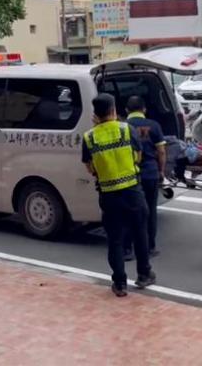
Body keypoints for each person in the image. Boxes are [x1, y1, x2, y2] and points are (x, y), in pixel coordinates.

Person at [82, 93, 155, 297]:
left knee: (115, 240)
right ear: (114, 110)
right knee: (140, 233)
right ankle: (144, 275)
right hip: (133, 191)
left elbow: (90, 168)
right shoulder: (127, 129)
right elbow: (138, 157)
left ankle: (120, 283)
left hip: (108, 195)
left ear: (95, 114)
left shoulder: (89, 137)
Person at [123, 95, 166, 259]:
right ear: (144, 110)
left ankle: (127, 248)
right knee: (150, 210)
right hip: (150, 173)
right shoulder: (154, 126)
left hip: (130, 174)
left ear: (127, 110)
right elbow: (161, 151)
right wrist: (161, 171)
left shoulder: (123, 127)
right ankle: (150, 246)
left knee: (129, 210)